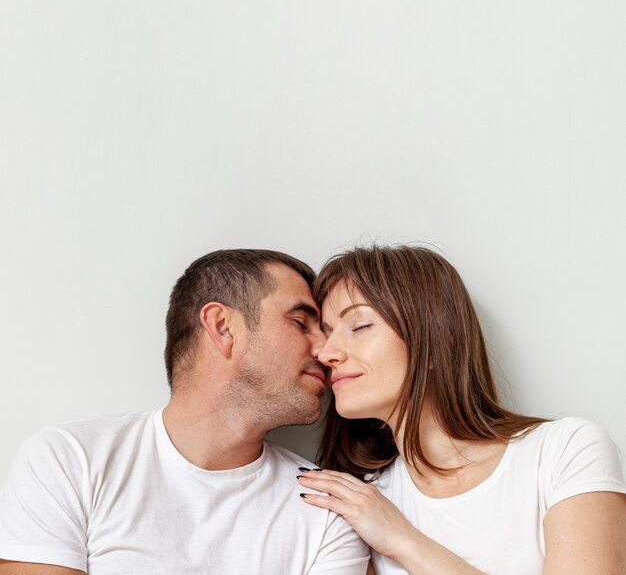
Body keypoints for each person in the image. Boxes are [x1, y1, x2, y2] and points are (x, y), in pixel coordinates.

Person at [0, 249, 369, 575]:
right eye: (300, 322)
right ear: (223, 327)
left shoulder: (329, 512)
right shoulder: (69, 459)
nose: (326, 350)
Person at [297, 245, 626, 575]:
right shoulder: (357, 501)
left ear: (438, 337)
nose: (326, 354)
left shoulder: (564, 451)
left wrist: (402, 540)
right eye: (327, 333)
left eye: (359, 326)